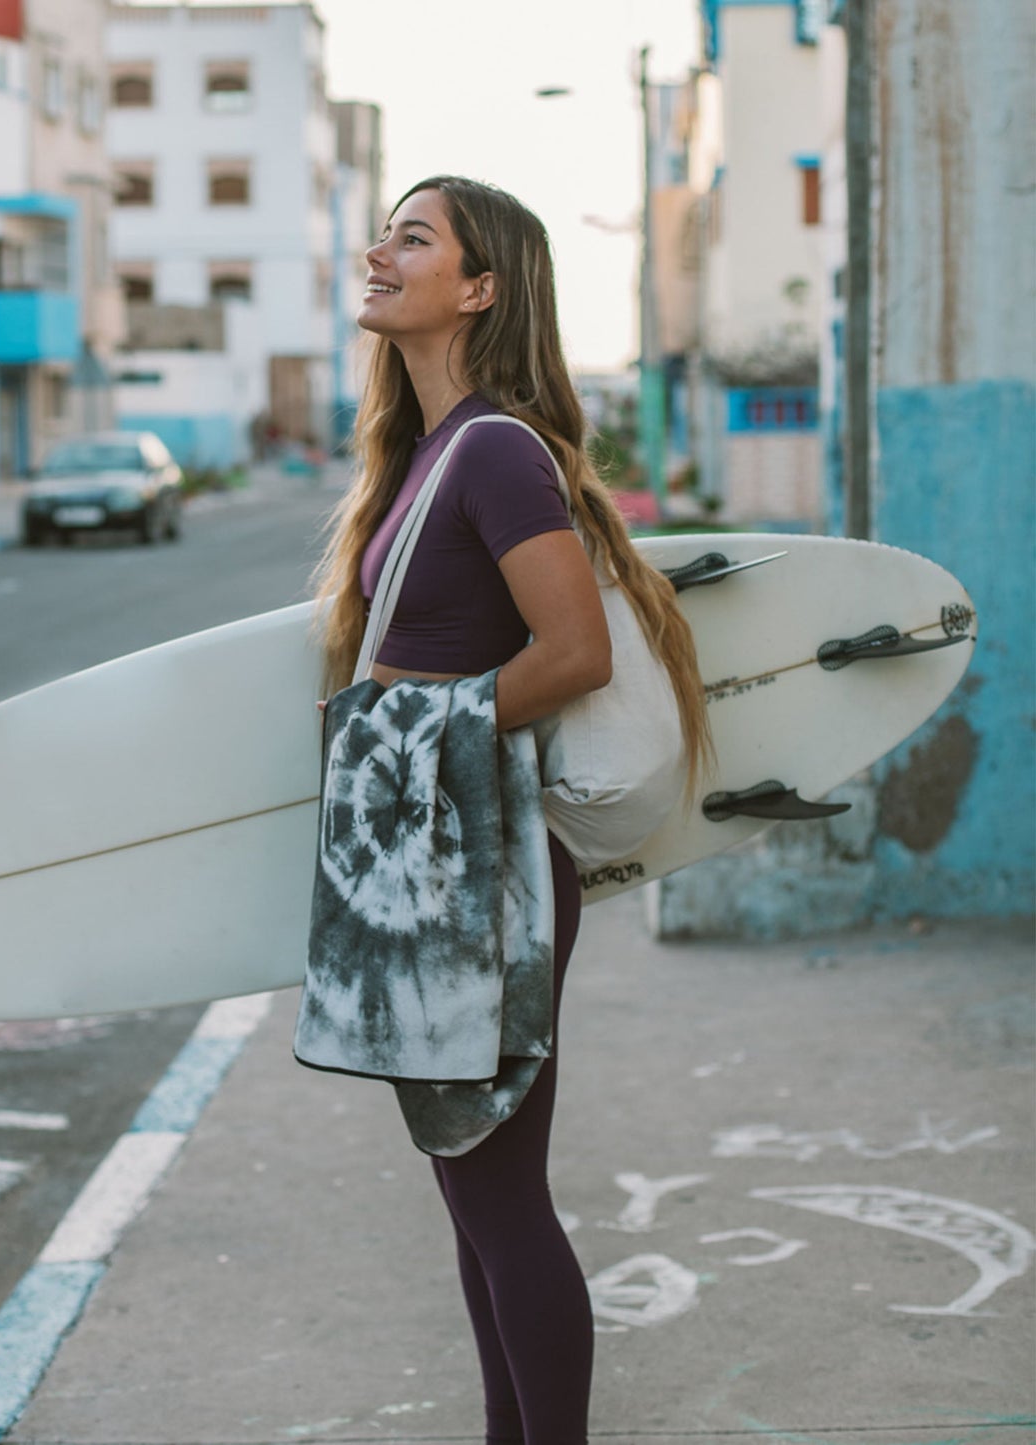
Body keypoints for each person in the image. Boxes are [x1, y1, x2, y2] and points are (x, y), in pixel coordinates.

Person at [310, 176, 710, 1445]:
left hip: (480, 860)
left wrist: (414, 730)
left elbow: (574, 649)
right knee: (472, 1194)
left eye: (412, 237)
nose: (380, 249)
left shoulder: (490, 446)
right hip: (432, 857)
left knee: (498, 1200)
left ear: (479, 288)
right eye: (387, 229)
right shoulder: (429, 450)